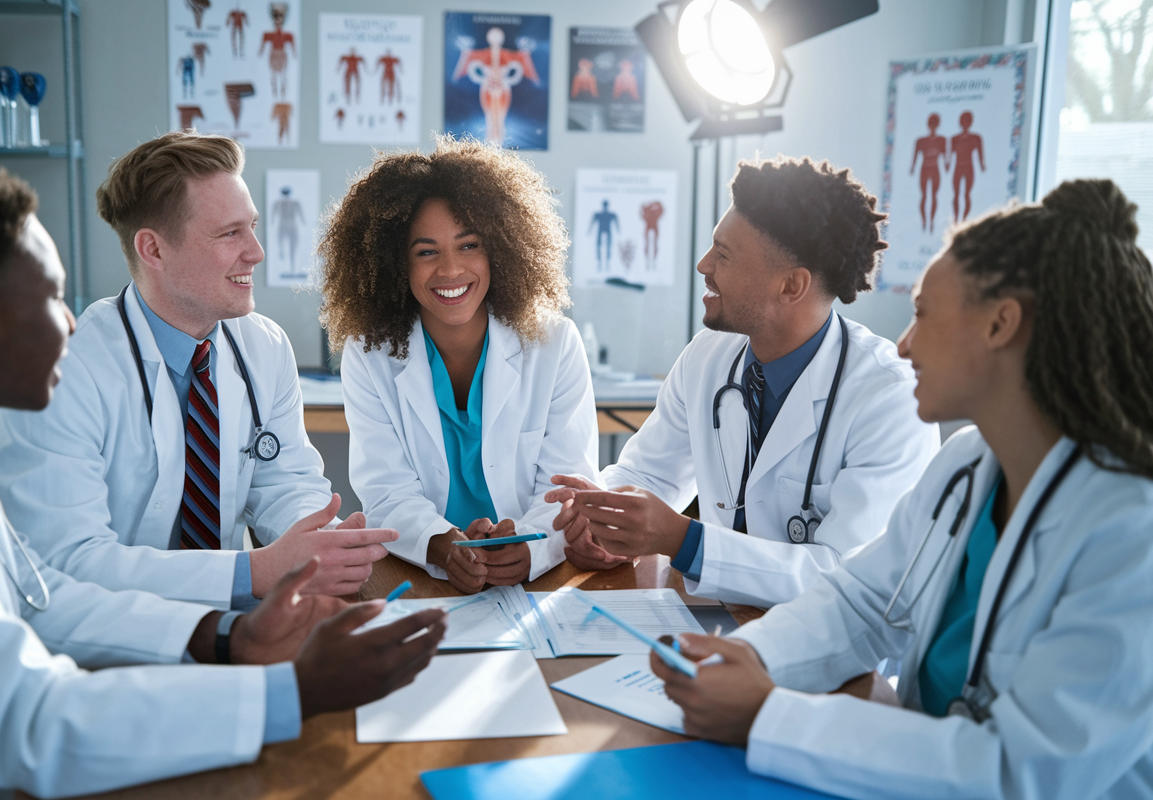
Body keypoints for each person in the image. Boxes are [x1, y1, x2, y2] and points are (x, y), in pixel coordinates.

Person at [0, 155, 446, 799]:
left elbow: (38, 600)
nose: (67, 321)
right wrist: (288, 688)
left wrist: (232, 635)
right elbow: (32, 722)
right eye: (52, 294)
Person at [653, 178, 1153, 799]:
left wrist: (769, 716)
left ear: (1001, 325)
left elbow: (1020, 771)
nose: (906, 344)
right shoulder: (968, 466)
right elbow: (861, 602)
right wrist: (748, 658)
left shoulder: (1133, 533)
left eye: (922, 313)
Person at [0, 132, 395, 610]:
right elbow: (63, 560)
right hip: (102, 642)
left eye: (253, 227)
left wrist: (323, 544)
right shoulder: (57, 369)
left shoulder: (262, 347)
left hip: (230, 624)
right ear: (154, 250)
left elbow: (284, 482)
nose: (257, 252)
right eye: (230, 234)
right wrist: (257, 570)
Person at [548, 157, 940, 608]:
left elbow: (849, 578)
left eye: (724, 255)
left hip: (832, 660)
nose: (703, 264)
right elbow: (647, 473)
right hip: (720, 622)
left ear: (791, 286)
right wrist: (602, 519)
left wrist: (684, 542)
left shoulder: (890, 397)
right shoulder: (709, 356)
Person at [319, 136, 600, 594]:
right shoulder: (368, 354)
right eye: (426, 251)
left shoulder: (554, 344)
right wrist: (440, 545)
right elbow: (386, 490)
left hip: (535, 577)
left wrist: (531, 550)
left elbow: (569, 484)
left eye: (468, 245)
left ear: (501, 249)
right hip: (419, 574)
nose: (450, 270)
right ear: (395, 264)